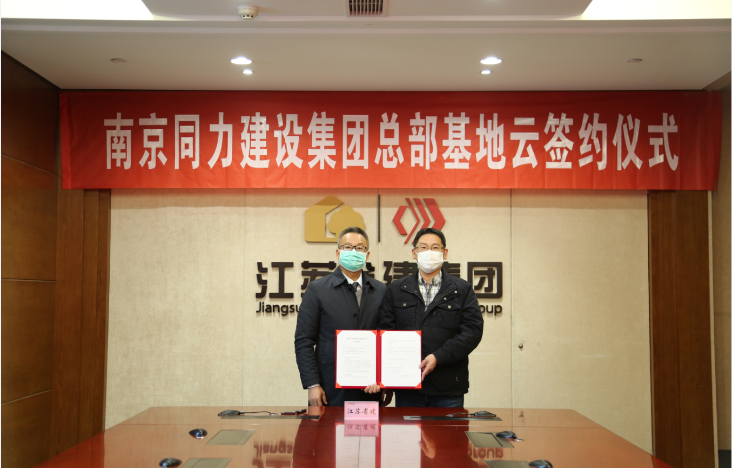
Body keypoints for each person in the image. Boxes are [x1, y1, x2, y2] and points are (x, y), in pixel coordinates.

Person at [378, 227, 483, 407]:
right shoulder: (396, 289)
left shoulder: (462, 289)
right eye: (423, 247)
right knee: (406, 427)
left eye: (435, 248)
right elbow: (385, 332)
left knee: (448, 427)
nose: (429, 252)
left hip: (448, 386)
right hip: (407, 385)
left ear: (445, 253)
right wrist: (387, 378)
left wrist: (438, 357)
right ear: (414, 253)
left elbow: (472, 332)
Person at [294, 226, 388, 406]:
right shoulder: (317, 289)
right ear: (338, 253)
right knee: (328, 426)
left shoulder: (381, 290)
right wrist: (312, 384)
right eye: (347, 247)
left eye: (359, 248)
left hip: (370, 387)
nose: (353, 252)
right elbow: (304, 340)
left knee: (369, 426)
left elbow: (386, 338)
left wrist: (384, 380)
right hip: (329, 387)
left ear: (367, 255)